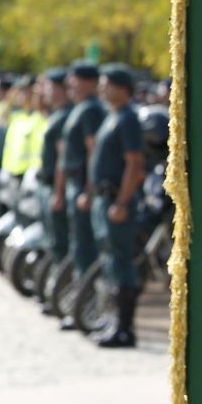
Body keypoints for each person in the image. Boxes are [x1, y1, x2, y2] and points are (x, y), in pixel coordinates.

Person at [81, 64, 146, 349]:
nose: (103, 88)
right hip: (104, 199)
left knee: (121, 264)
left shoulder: (128, 118)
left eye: (108, 84)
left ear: (123, 88)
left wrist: (122, 201)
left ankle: (125, 328)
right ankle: (113, 321)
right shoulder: (113, 116)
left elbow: (135, 163)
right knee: (110, 262)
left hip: (117, 200)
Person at [56, 63, 107, 287]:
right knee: (77, 243)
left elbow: (93, 151)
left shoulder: (91, 110)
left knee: (84, 245)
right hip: (74, 183)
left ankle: (87, 303)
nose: (69, 83)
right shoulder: (81, 107)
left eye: (74, 78)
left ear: (88, 82)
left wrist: (88, 189)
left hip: (82, 184)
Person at [35, 68, 72, 314]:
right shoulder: (57, 114)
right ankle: (58, 296)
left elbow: (63, 159)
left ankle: (63, 299)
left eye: (49, 87)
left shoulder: (65, 116)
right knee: (53, 242)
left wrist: (59, 192)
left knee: (61, 244)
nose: (45, 92)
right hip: (46, 184)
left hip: (56, 186)